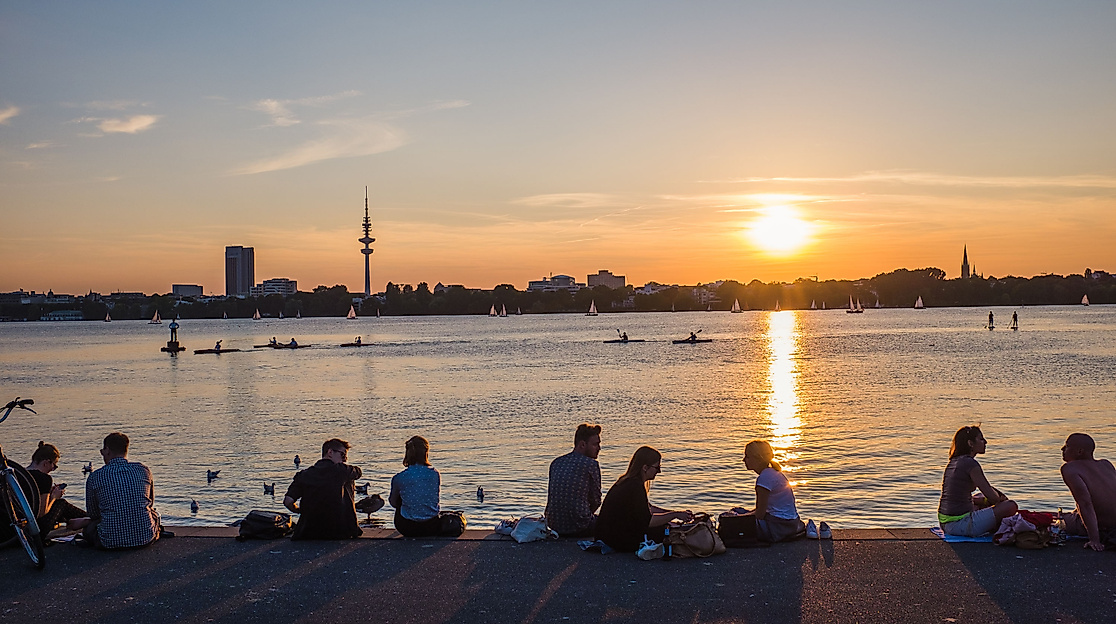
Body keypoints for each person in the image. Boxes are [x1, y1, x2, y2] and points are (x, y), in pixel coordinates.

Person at [594, 446, 692, 552]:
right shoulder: (635, 487)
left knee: (666, 526)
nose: (659, 471)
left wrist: (675, 514)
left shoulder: (628, 482)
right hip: (616, 539)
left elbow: (647, 508)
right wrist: (674, 515)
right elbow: (647, 521)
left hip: (606, 535)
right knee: (665, 531)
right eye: (657, 468)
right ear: (645, 467)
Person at [84, 432, 161, 549]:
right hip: (145, 538)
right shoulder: (143, 470)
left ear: (108, 450)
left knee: (89, 528)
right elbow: (150, 502)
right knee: (154, 514)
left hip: (108, 541)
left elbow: (93, 514)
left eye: (102, 451)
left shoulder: (95, 476)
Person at [937, 426, 1018, 537]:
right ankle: (997, 527)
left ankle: (993, 524)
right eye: (981, 439)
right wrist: (1001, 499)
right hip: (959, 525)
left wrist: (986, 500)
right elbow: (993, 498)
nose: (985, 442)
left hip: (946, 522)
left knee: (981, 496)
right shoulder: (971, 464)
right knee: (1010, 506)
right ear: (970, 443)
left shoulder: (954, 461)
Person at [283, 438, 363, 540]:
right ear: (330, 452)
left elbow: (288, 501)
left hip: (307, 532)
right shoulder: (341, 470)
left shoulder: (303, 475)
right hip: (339, 533)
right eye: (343, 455)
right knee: (347, 479)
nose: (345, 459)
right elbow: (358, 472)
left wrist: (299, 510)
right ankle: (349, 525)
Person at [733, 440, 805, 542]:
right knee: (738, 511)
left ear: (758, 458)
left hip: (777, 527)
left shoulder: (764, 479)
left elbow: (760, 514)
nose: (743, 460)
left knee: (731, 516)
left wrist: (739, 517)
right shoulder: (773, 473)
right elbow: (765, 509)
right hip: (791, 523)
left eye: (747, 456)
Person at [1060, 433, 1116, 551]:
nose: (1062, 449)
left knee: (1061, 521)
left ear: (1079, 451)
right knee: (1075, 512)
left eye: (1067, 446)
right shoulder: (1106, 464)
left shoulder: (1070, 468)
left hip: (1102, 525)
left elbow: (1085, 504)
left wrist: (1095, 540)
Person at [545, 423, 602, 537]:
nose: (599, 448)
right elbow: (596, 500)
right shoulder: (591, 464)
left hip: (554, 524)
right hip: (579, 526)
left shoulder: (557, 462)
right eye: (595, 444)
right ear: (582, 445)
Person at [27, 442, 91, 532]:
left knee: (60, 506)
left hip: (22, 525)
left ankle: (81, 520)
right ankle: (91, 519)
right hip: (36, 529)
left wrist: (49, 493)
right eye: (54, 465)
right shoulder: (44, 479)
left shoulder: (20, 475)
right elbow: (41, 513)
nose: (52, 469)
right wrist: (54, 497)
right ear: (46, 463)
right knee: (61, 504)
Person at [389, 436, 443, 537]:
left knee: (401, 496)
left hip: (407, 527)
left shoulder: (399, 477)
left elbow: (393, 502)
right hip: (432, 526)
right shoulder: (435, 474)